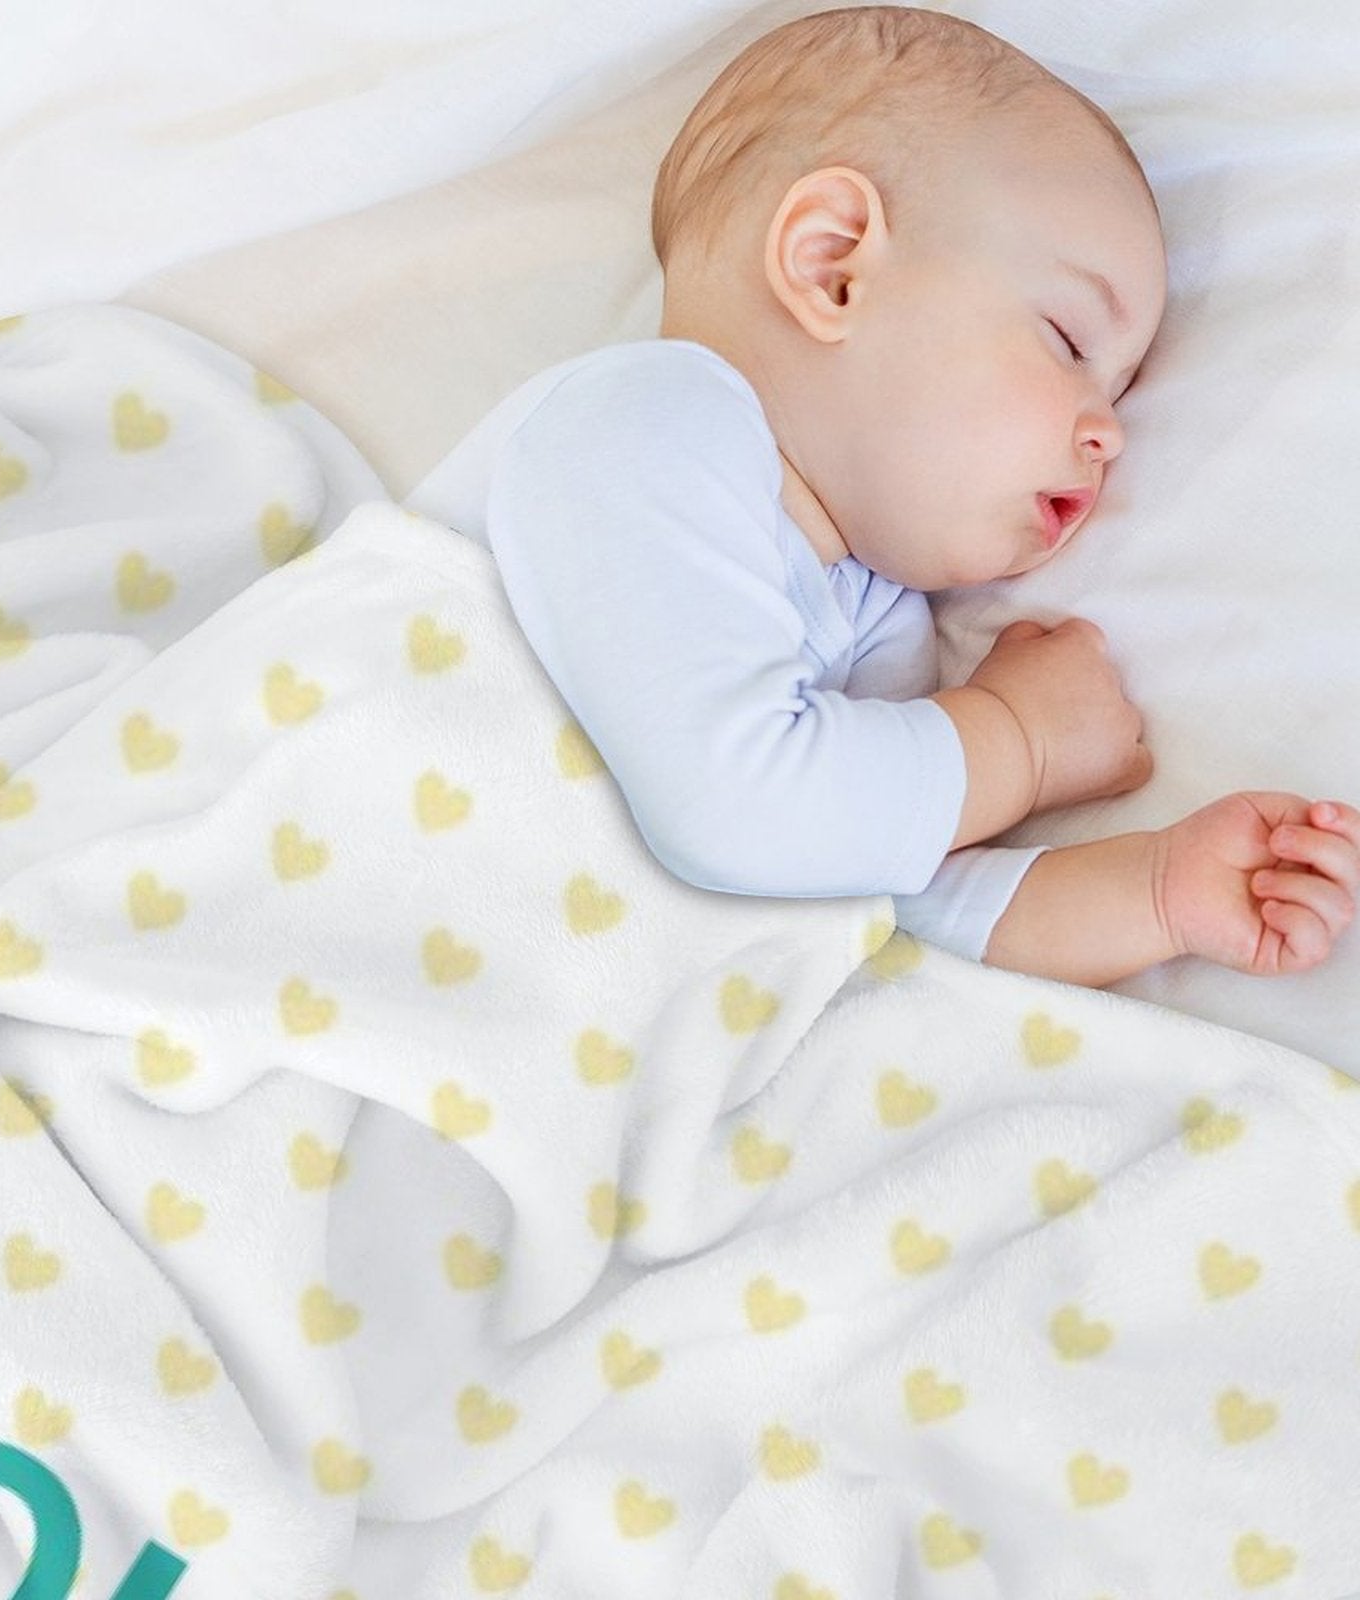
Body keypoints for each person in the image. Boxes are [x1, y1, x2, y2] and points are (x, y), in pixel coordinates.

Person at [404, 5, 1358, 989]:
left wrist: (1158, 891)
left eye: (1116, 390)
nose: (1107, 429)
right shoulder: (638, 423)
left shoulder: (870, 615)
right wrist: (1015, 740)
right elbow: (738, 809)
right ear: (832, 267)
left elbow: (875, 905)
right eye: (1070, 343)